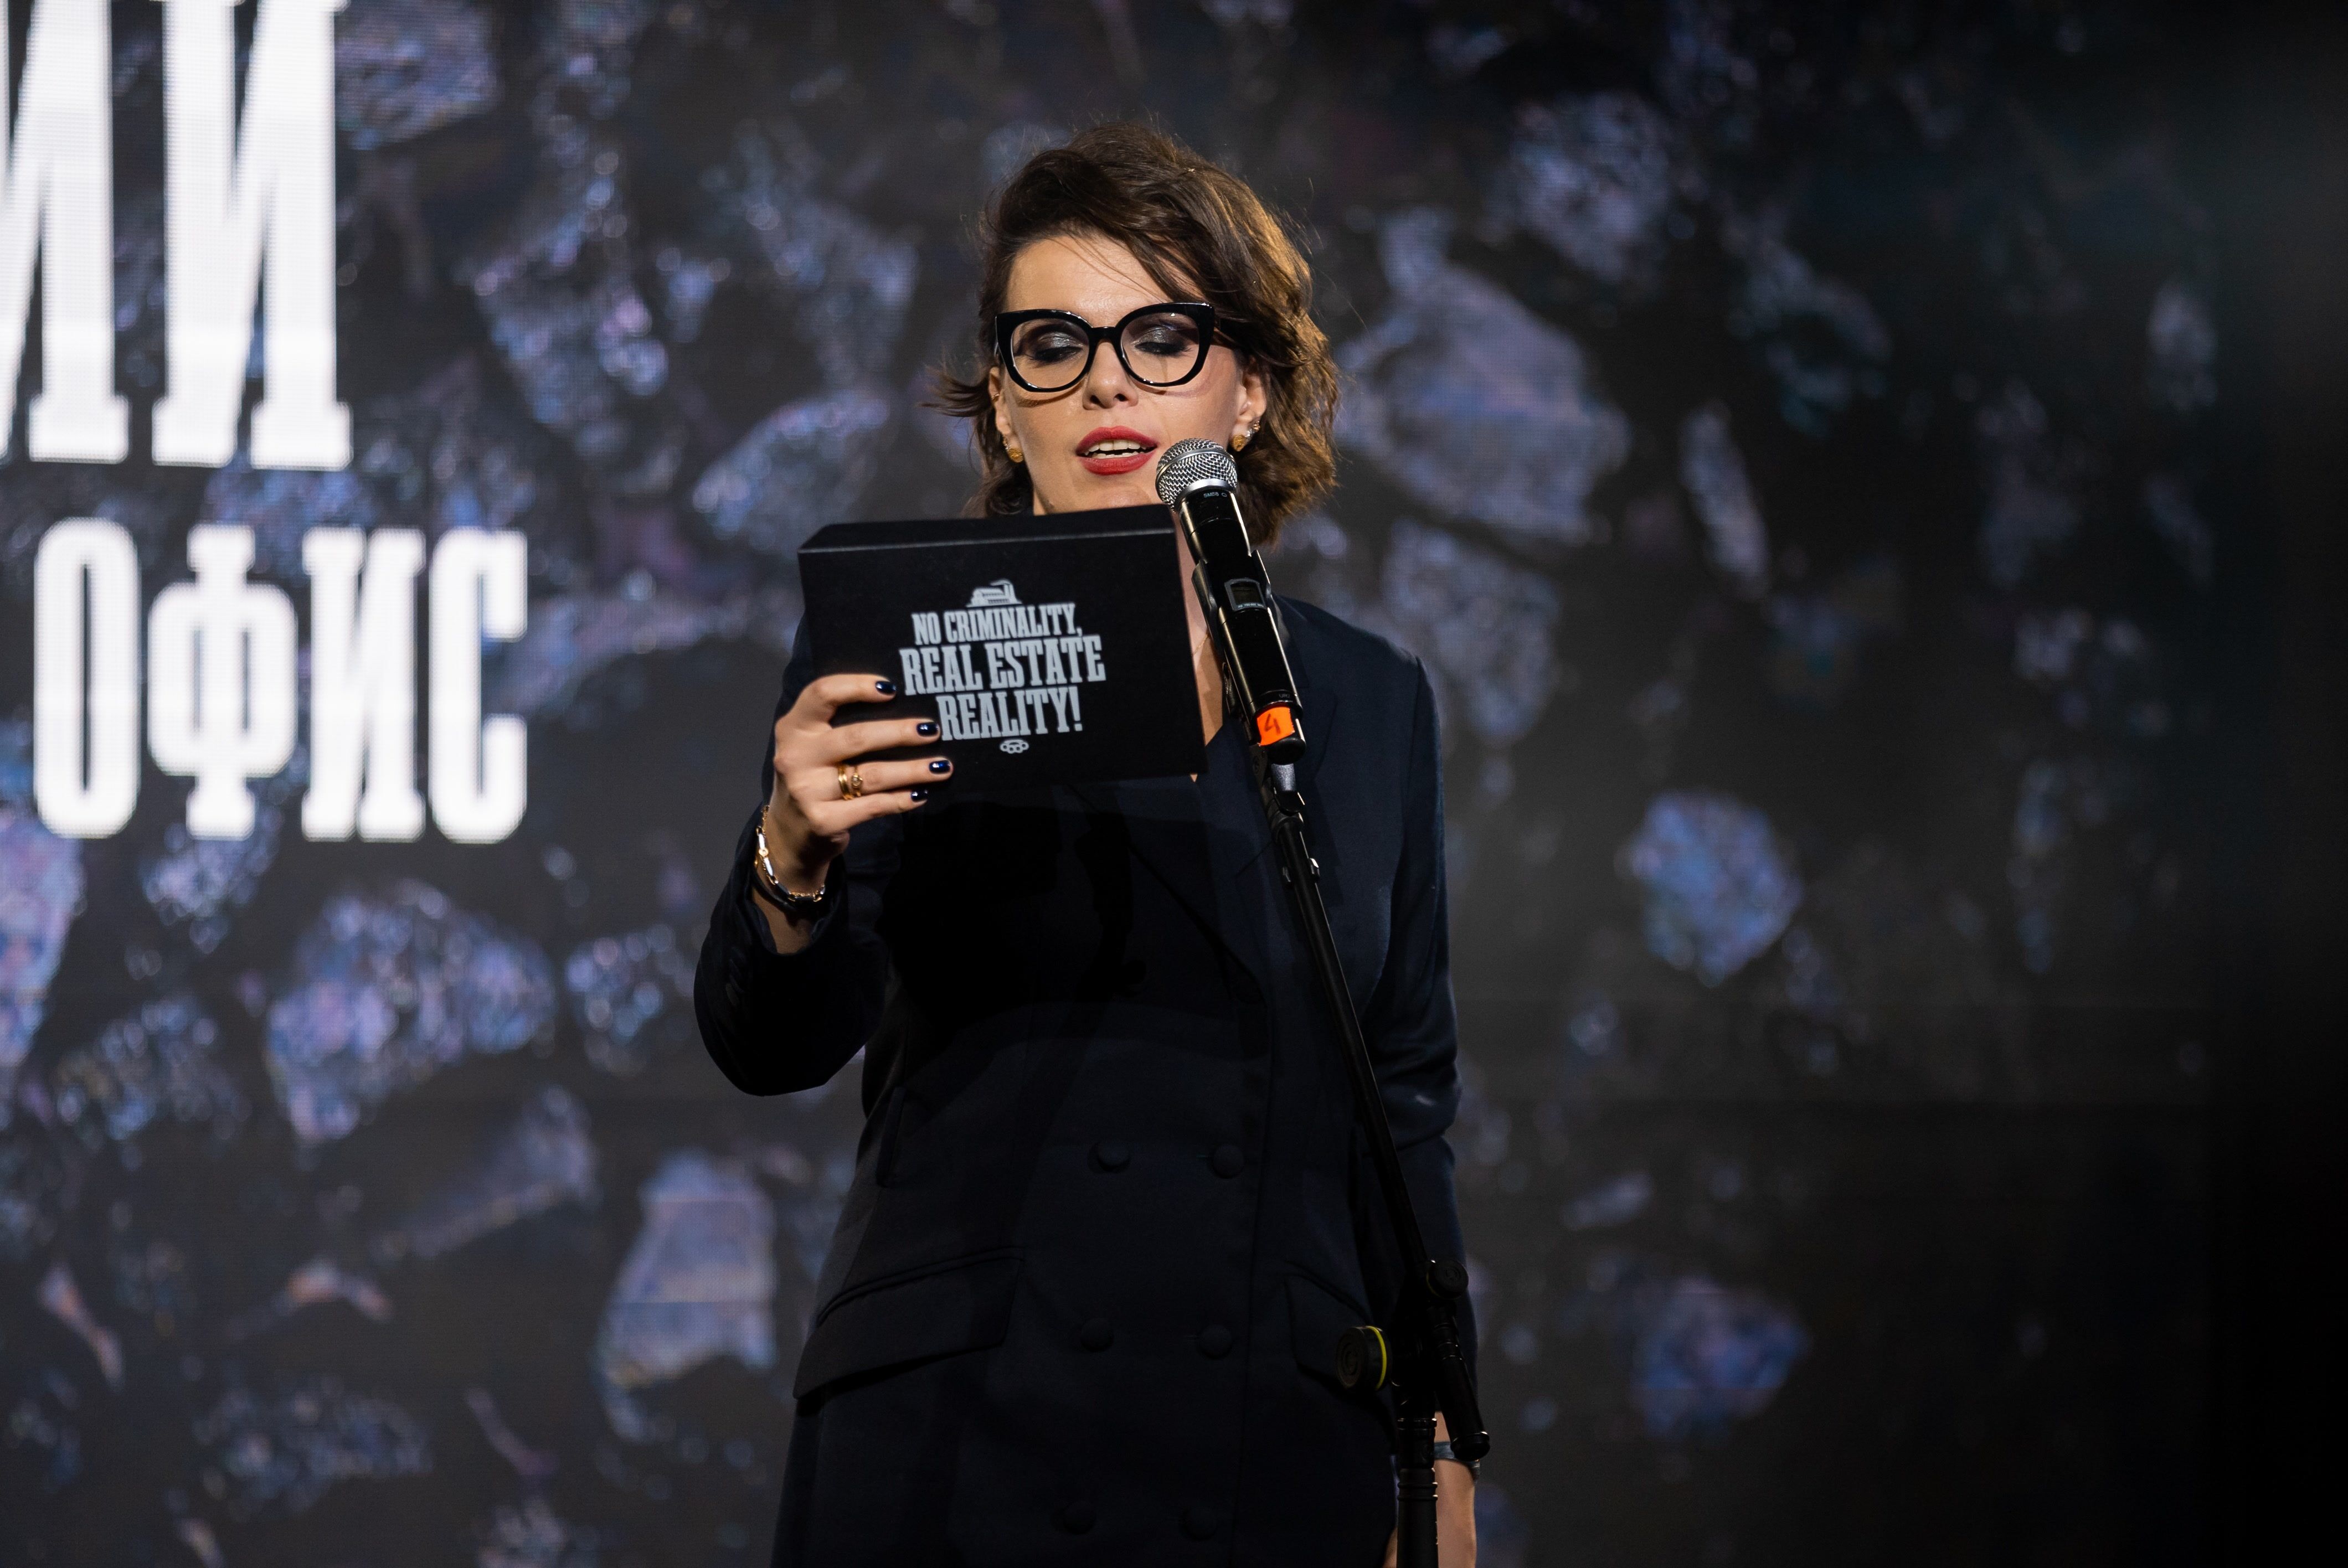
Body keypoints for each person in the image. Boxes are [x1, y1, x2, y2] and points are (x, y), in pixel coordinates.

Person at [694, 121, 1477, 1567]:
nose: (1107, 380)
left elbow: (1406, 1098)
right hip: (966, 1439)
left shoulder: (1370, 701)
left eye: (1161, 337)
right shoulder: (909, 651)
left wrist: (1437, 1438)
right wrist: (790, 855)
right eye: (1052, 345)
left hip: (1266, 1446)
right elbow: (774, 1042)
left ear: (1251, 389)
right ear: (1005, 409)